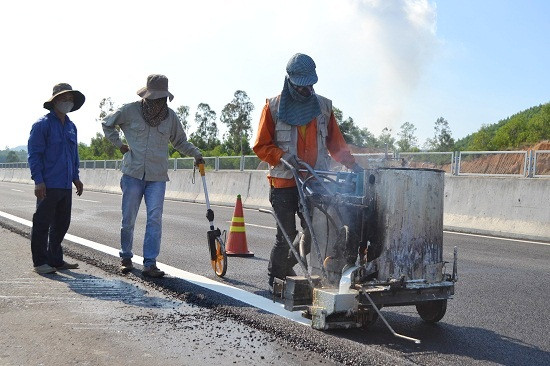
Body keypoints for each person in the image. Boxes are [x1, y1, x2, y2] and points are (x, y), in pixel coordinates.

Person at [253, 53, 363, 291]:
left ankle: (287, 266)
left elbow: (336, 143)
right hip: (284, 182)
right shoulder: (273, 107)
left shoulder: (323, 107)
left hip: (314, 181)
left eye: (310, 84)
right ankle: (275, 276)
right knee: (286, 235)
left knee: (315, 231)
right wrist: (281, 156)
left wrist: (353, 165)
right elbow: (261, 145)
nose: (307, 89)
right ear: (290, 81)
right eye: (302, 85)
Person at [102, 74, 204, 278]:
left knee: (154, 219)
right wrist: (119, 144)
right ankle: (126, 257)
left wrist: (196, 153)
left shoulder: (171, 117)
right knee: (128, 218)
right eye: (154, 97)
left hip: (157, 177)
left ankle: (150, 263)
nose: (158, 102)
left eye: (161, 98)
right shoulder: (129, 110)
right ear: (147, 96)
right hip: (132, 173)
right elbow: (107, 123)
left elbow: (180, 142)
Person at [28, 83, 85, 274]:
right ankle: (40, 263)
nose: (67, 103)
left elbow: (73, 155)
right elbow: (34, 155)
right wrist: (38, 181)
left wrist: (75, 177)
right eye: (64, 99)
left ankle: (56, 260)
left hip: (65, 184)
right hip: (48, 183)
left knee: (61, 224)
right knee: (42, 223)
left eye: (70, 100)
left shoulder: (71, 126)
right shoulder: (42, 125)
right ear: (54, 101)